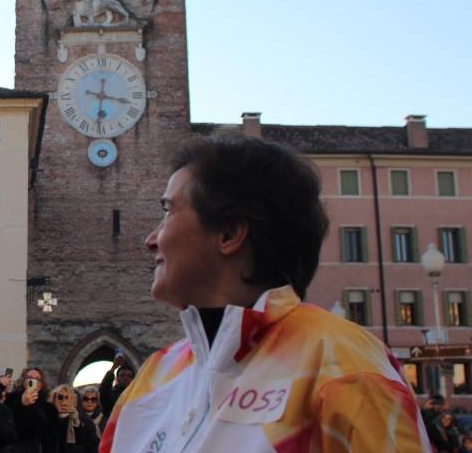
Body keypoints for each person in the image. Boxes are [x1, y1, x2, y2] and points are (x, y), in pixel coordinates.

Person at [100, 135, 431, 452]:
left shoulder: (344, 367)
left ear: (229, 233)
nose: (151, 239)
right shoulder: (154, 377)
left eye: (168, 211)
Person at [6, 367, 55, 453]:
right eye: (30, 378)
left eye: (37, 379)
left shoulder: (49, 408)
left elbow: (50, 435)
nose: (33, 382)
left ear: (42, 384)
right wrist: (22, 404)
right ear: (23, 381)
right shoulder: (10, 399)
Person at [46, 385, 98, 453]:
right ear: (54, 399)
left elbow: (91, 447)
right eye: (60, 397)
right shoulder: (46, 418)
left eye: (67, 398)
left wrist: (76, 422)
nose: (63, 401)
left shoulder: (85, 421)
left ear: (73, 400)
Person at [96, 354, 132, 420]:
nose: (126, 378)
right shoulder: (111, 395)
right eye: (122, 375)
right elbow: (103, 390)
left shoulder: (136, 396)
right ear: (117, 378)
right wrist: (113, 368)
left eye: (129, 376)